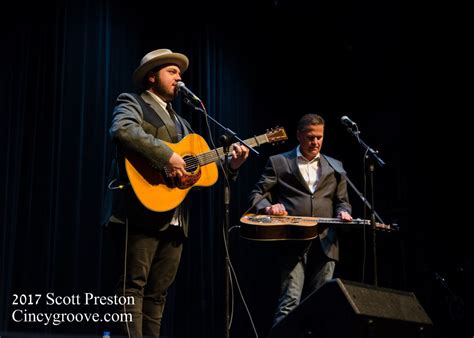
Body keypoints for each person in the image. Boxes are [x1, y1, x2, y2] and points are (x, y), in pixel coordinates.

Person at [104, 48, 249, 337]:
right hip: (139, 209)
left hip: (175, 218)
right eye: (171, 71)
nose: (179, 76)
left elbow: (201, 166)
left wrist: (231, 164)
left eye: (179, 72)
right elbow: (122, 130)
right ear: (151, 77)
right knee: (131, 288)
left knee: (158, 295)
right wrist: (167, 158)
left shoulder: (183, 123)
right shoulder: (133, 102)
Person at [248, 113, 352, 327]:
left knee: (322, 306)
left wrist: (343, 212)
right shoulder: (279, 163)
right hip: (293, 242)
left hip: (326, 242)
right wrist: (268, 207)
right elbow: (256, 195)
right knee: (290, 303)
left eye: (319, 137)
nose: (315, 142)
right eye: (310, 137)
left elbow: (343, 201)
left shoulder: (335, 166)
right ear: (299, 135)